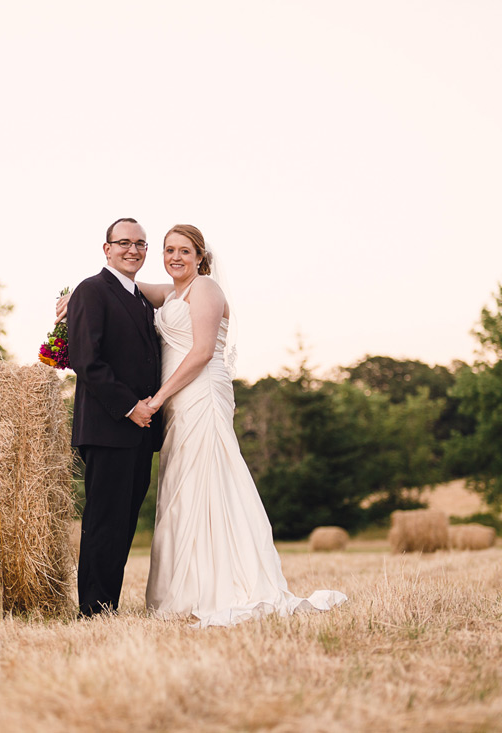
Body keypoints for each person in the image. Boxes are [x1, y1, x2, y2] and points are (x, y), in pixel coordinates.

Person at [59, 224, 347, 626]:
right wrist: (79, 293)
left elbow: (201, 352)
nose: (174, 257)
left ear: (201, 257)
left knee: (206, 483)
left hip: (196, 396)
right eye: (167, 249)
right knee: (177, 490)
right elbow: (117, 290)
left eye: (184, 251)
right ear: (108, 249)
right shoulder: (165, 293)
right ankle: (123, 601)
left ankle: (216, 584)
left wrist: (155, 400)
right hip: (156, 411)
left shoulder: (205, 290)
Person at [68, 217, 163, 617]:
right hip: (109, 427)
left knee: (123, 525)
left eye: (140, 244)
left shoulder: (139, 298)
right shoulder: (91, 291)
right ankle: (92, 610)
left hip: (141, 432)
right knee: (105, 523)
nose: (133, 250)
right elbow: (87, 361)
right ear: (106, 249)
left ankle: (107, 604)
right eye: (124, 243)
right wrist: (131, 406)